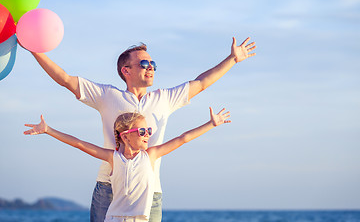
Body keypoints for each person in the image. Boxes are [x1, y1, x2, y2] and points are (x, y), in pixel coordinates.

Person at [28, 36, 256, 222]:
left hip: (150, 191)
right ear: (125, 70)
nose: (151, 68)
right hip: (108, 188)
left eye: (153, 64)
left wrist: (233, 59)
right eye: (144, 64)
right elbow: (66, 80)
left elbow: (202, 83)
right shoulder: (108, 95)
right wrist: (34, 50)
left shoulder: (165, 98)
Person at [24, 107, 231, 222]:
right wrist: (48, 130)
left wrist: (211, 123)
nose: (147, 135)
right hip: (113, 219)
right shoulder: (112, 158)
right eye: (142, 132)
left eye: (148, 131)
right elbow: (79, 144)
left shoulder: (150, 155)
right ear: (124, 136)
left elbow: (183, 138)